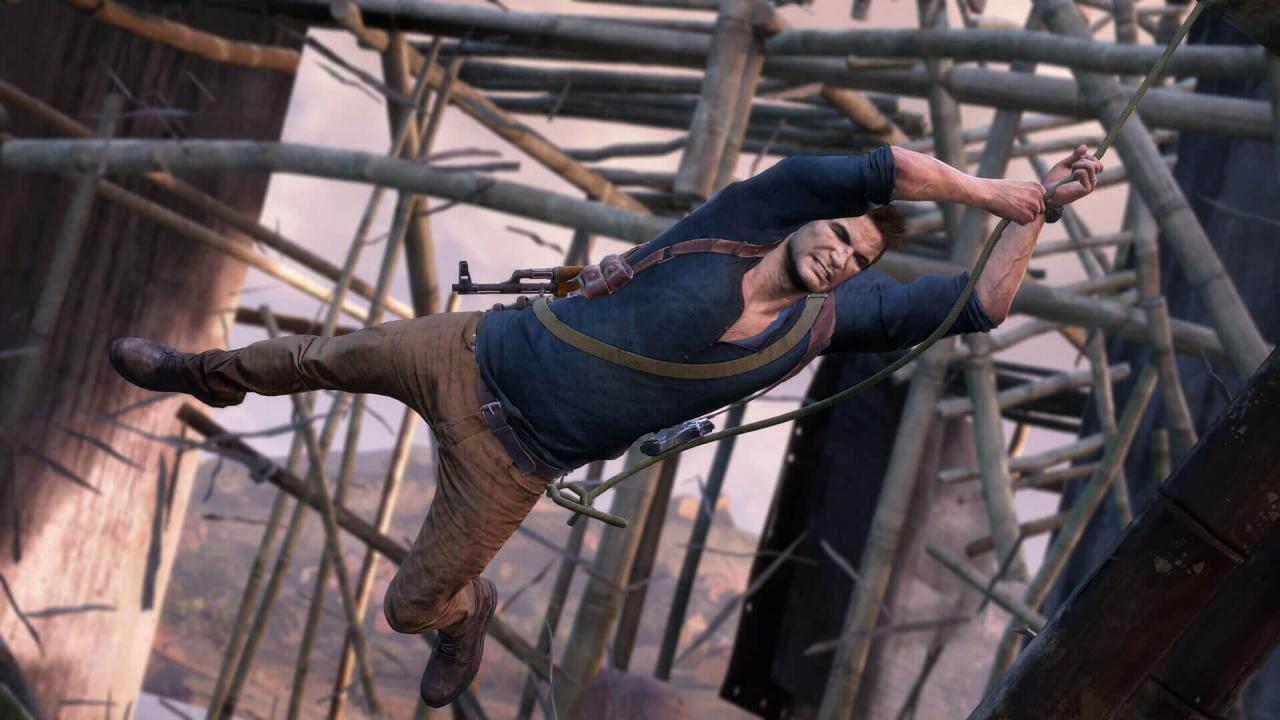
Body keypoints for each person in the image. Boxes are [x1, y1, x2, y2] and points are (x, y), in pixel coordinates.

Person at [108, 145, 1101, 707]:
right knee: (317, 357)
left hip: (514, 463)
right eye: (840, 233)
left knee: (412, 606)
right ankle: (200, 373)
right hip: (473, 352)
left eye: (857, 257)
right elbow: (886, 166)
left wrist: (1033, 217)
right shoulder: (748, 213)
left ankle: (465, 618)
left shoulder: (828, 322)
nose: (841, 254)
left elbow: (980, 306)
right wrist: (989, 190)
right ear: (813, 217)